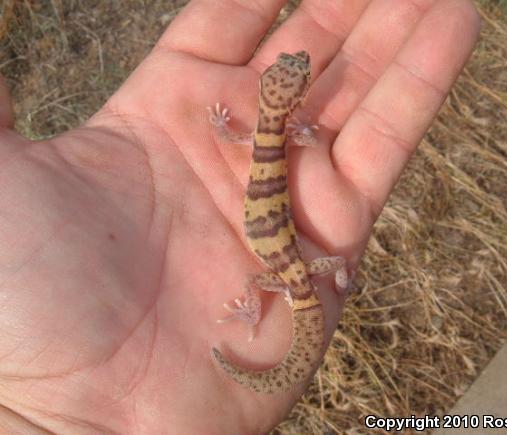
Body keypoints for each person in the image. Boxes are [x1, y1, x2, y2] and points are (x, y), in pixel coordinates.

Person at [0, 1, 480, 433]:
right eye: (293, 68)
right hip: (281, 260)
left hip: (281, 259)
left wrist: (221, 127)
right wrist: (306, 134)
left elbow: (240, 141)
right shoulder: (280, 135)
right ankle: (309, 287)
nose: (297, 64)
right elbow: (300, 140)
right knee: (300, 273)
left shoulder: (268, 135)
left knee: (297, 274)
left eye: (295, 68)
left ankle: (285, 296)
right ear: (288, 97)